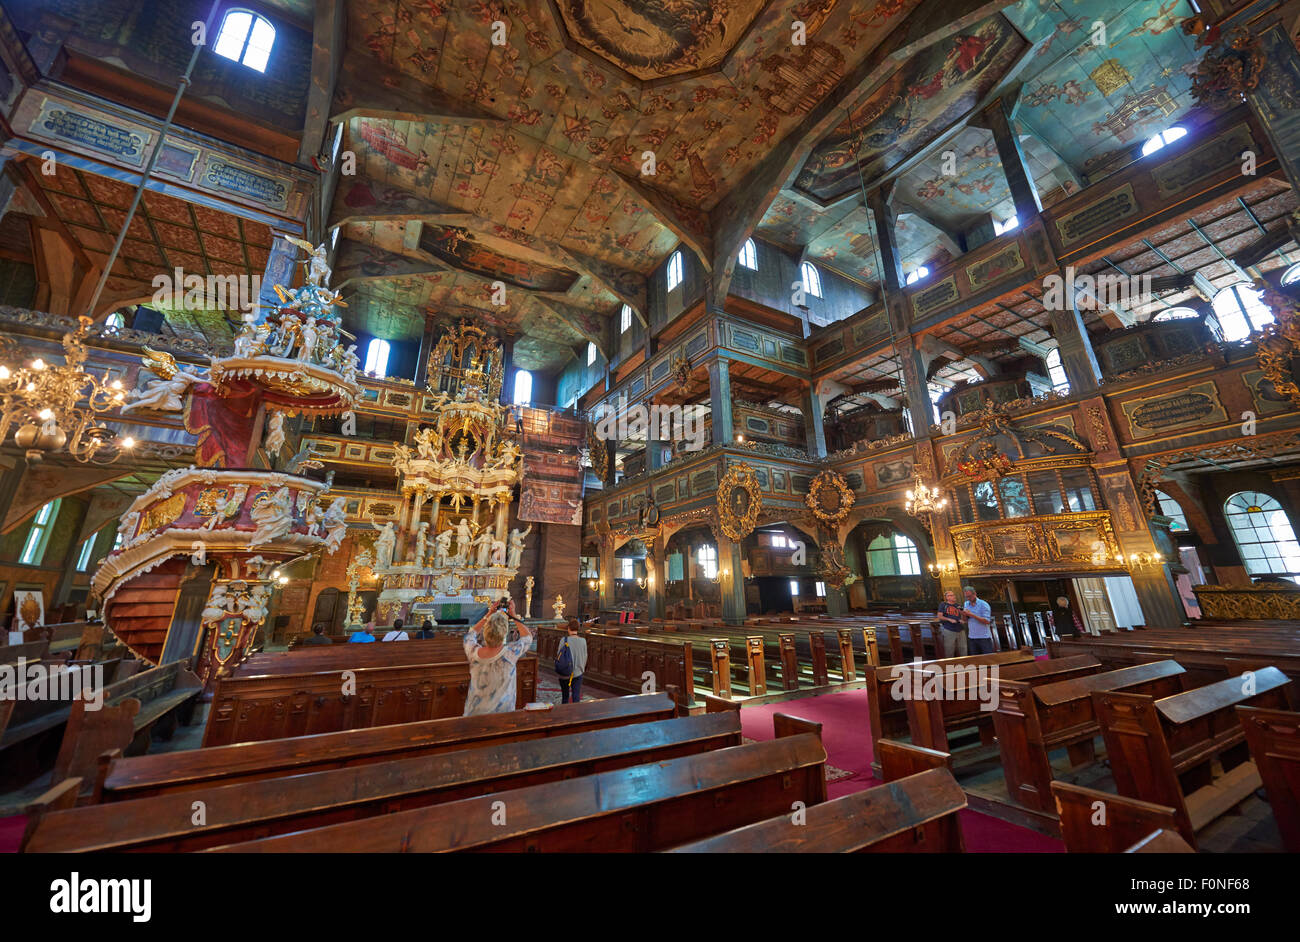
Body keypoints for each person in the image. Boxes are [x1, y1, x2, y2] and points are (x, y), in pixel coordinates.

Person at [462, 598, 533, 716]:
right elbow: (528, 637)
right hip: (503, 716)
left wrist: (488, 615)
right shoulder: (511, 653)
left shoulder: (473, 652)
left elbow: (470, 634)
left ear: (485, 632)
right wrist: (513, 615)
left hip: (474, 714)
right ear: (504, 632)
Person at [557, 617, 588, 704]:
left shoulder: (564, 640)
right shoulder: (583, 641)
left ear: (568, 628)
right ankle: (576, 714)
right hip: (578, 672)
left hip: (565, 671)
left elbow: (558, 655)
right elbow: (585, 656)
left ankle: (565, 713)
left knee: (565, 696)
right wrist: (582, 669)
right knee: (576, 696)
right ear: (578, 629)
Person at [961, 586, 994, 654]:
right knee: (975, 661)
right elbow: (965, 620)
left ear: (975, 594)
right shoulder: (966, 604)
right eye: (966, 597)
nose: (968, 598)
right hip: (972, 637)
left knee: (988, 660)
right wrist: (963, 614)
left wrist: (971, 614)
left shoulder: (984, 604)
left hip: (984, 637)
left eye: (969, 596)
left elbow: (987, 621)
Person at [936, 590, 966, 658]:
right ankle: (950, 666)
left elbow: (963, 615)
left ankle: (964, 664)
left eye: (954, 595)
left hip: (960, 629)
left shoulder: (958, 605)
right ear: (947, 597)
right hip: (949, 629)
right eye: (951, 595)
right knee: (949, 650)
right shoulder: (943, 605)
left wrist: (962, 619)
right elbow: (939, 616)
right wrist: (949, 619)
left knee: (963, 648)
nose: (954, 596)